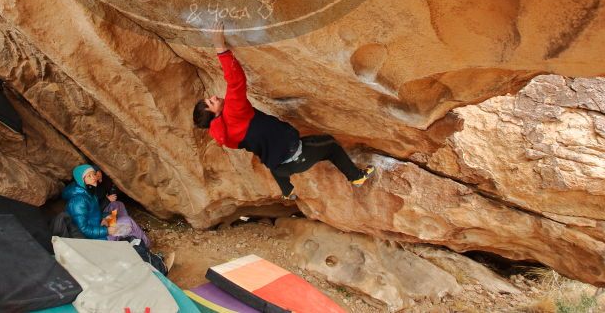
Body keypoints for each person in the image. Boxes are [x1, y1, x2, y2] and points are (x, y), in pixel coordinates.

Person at [193, 23, 374, 199]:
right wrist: (220, 47)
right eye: (212, 102)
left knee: (272, 155)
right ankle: (356, 177)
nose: (215, 97)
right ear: (214, 114)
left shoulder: (224, 133)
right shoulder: (232, 113)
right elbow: (235, 81)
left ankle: (287, 191)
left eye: (210, 98)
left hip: (278, 165)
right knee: (330, 144)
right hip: (296, 157)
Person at [60, 164, 174, 274]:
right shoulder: (78, 201)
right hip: (98, 239)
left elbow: (93, 215)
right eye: (89, 176)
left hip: (100, 227)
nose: (94, 177)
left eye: (93, 174)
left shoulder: (88, 192)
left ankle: (133, 241)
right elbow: (83, 229)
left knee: (118, 209)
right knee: (127, 222)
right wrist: (107, 230)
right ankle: (148, 249)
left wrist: (105, 218)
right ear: (81, 180)